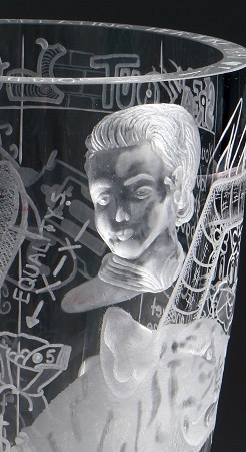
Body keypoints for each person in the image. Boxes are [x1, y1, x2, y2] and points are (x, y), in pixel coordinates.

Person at [62, 103, 200, 313]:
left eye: (139, 192)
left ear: (176, 186)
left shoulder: (196, 266)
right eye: (104, 199)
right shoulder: (80, 300)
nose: (120, 214)